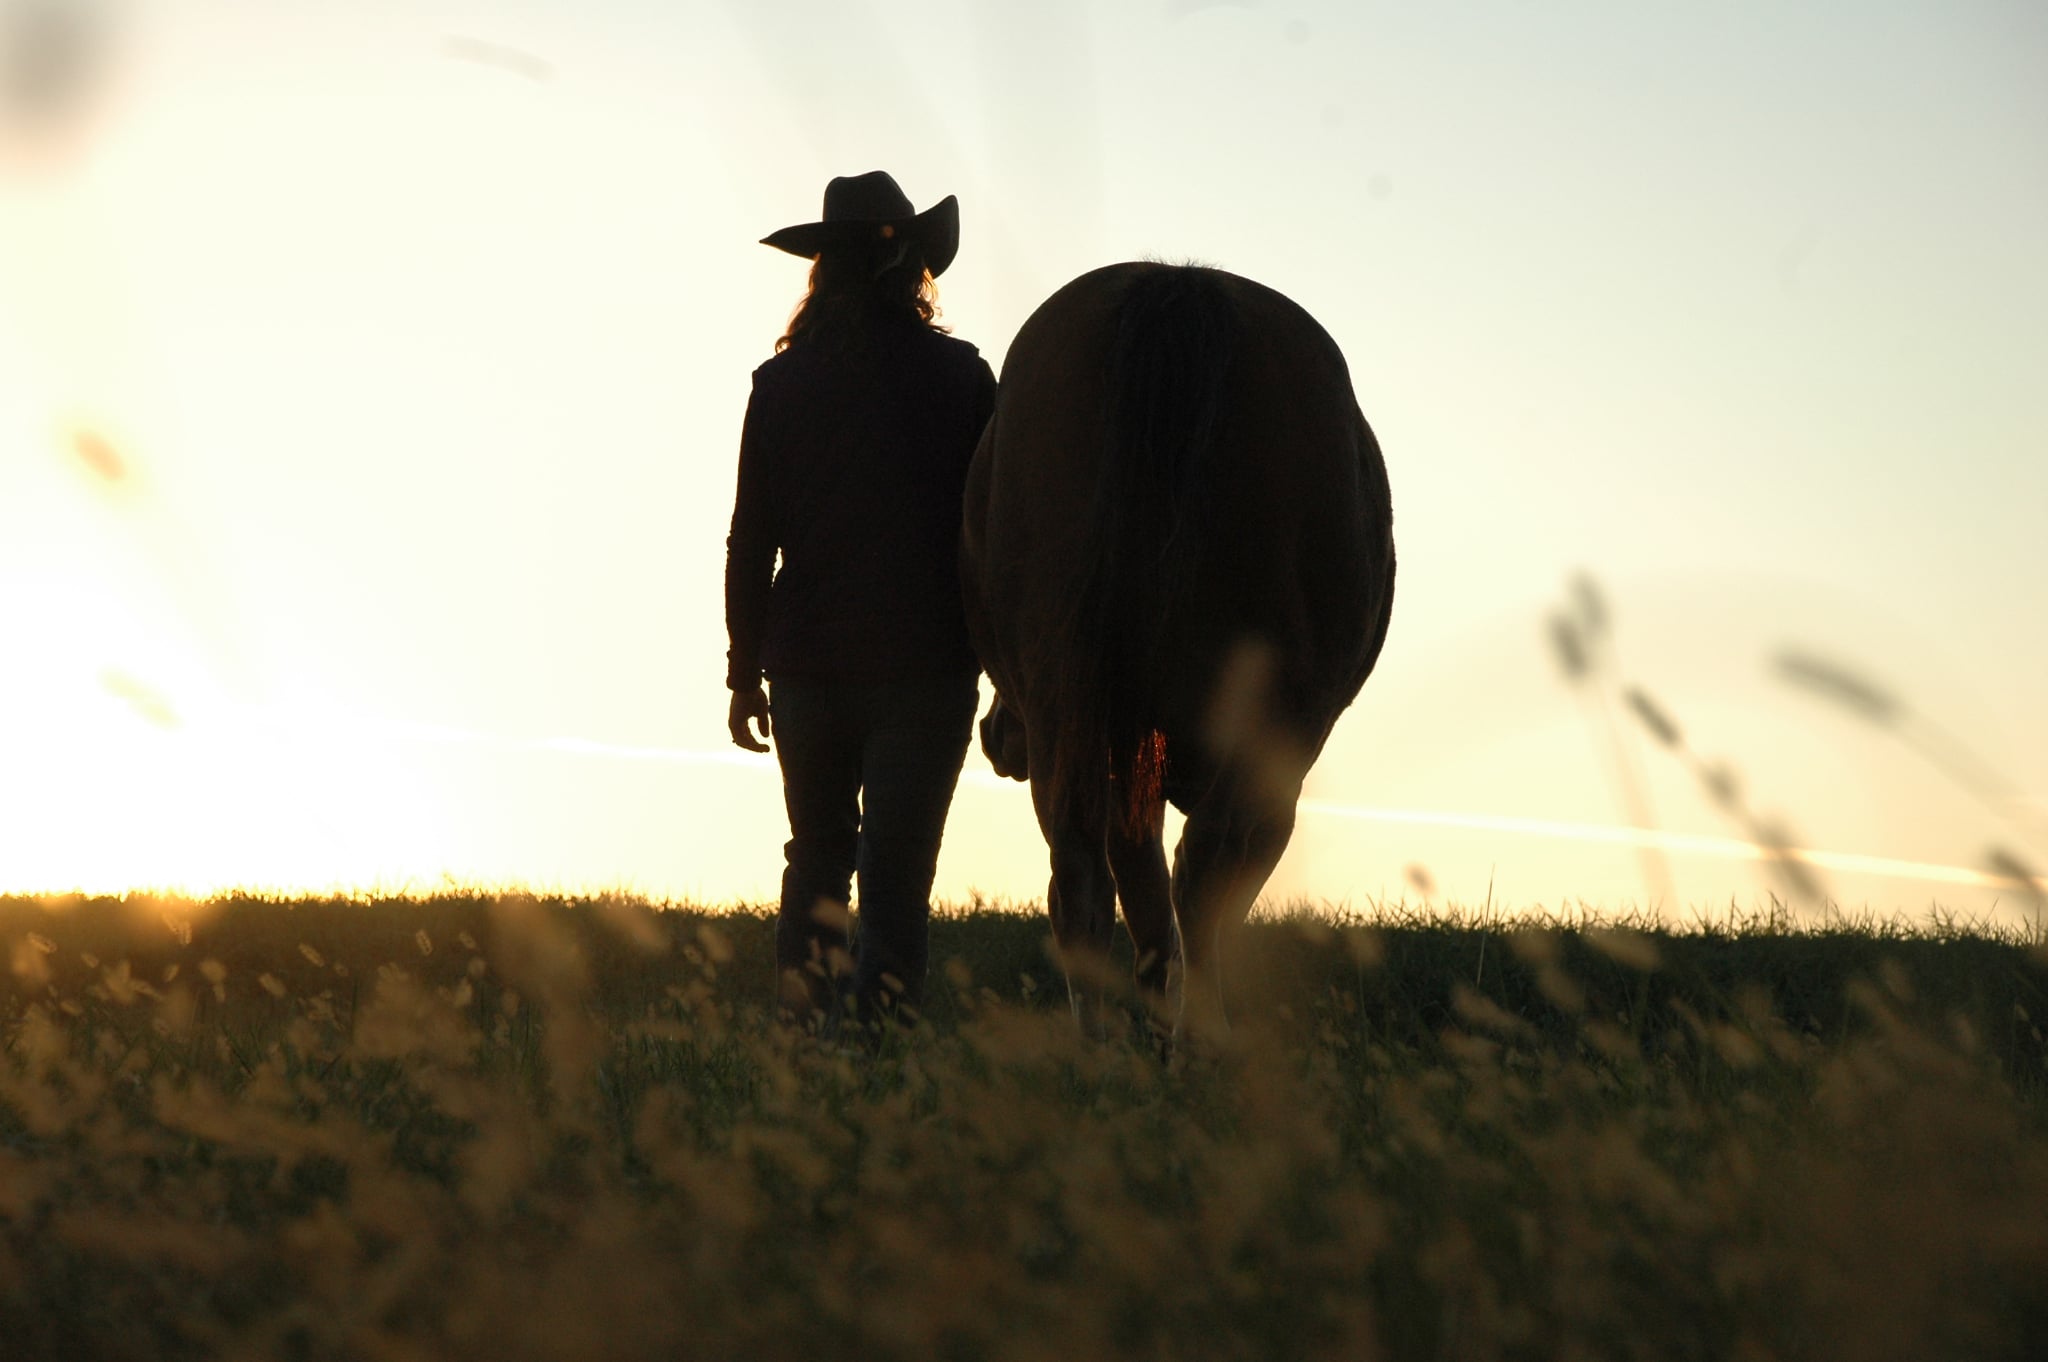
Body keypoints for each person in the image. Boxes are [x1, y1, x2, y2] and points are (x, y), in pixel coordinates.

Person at [724, 171, 997, 1030]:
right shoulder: (961, 379)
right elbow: (996, 532)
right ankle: (878, 1053)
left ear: (821, 270)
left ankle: (805, 1042)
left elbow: (751, 541)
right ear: (914, 264)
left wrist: (743, 671)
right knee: (898, 873)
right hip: (926, 664)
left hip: (808, 665)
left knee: (817, 860)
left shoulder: (781, 386)